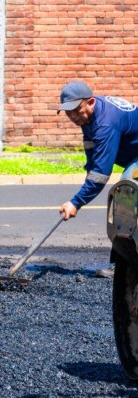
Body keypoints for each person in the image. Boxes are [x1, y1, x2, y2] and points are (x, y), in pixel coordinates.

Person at [56, 81, 138, 278]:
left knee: (126, 191)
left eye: (76, 111)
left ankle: (127, 263)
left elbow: (100, 175)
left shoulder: (105, 123)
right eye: (68, 113)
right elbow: (92, 158)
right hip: (133, 156)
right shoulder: (89, 118)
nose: (73, 117)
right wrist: (87, 185)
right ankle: (125, 261)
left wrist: (76, 202)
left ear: (90, 102)